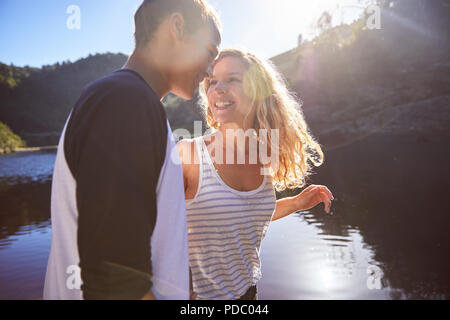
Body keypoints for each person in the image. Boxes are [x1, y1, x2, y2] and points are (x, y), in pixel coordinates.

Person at [43, 0, 221, 300]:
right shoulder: (124, 101)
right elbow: (115, 281)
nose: (210, 70)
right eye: (210, 52)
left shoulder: (132, 100)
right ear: (177, 27)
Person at [176, 49, 334, 300]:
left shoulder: (263, 156)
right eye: (212, 81)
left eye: (232, 79)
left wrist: (295, 203)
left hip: (247, 294)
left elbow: (244, 217)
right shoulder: (189, 154)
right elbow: (150, 230)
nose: (218, 88)